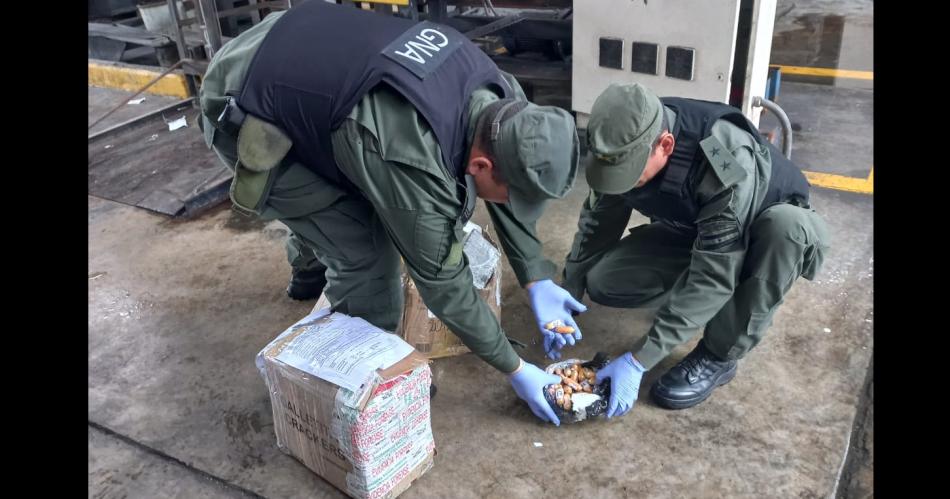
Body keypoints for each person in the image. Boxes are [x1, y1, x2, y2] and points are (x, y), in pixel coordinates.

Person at [198, 1, 585, 425]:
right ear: (480, 167)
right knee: (367, 257)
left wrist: (536, 277)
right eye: (514, 195)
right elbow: (444, 285)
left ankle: (309, 263)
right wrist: (514, 367)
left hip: (299, 45)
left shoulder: (501, 94)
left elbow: (508, 175)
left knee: (347, 179)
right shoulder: (410, 157)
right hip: (244, 97)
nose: (514, 207)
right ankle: (363, 373)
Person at [561, 83, 830, 417]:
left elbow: (714, 277)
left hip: (764, 231)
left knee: (784, 230)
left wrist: (638, 358)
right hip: (700, 229)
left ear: (666, 144)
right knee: (603, 280)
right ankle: (692, 307)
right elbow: (598, 222)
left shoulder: (723, 163)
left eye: (630, 175)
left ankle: (720, 355)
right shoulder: (626, 139)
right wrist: (570, 287)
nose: (624, 183)